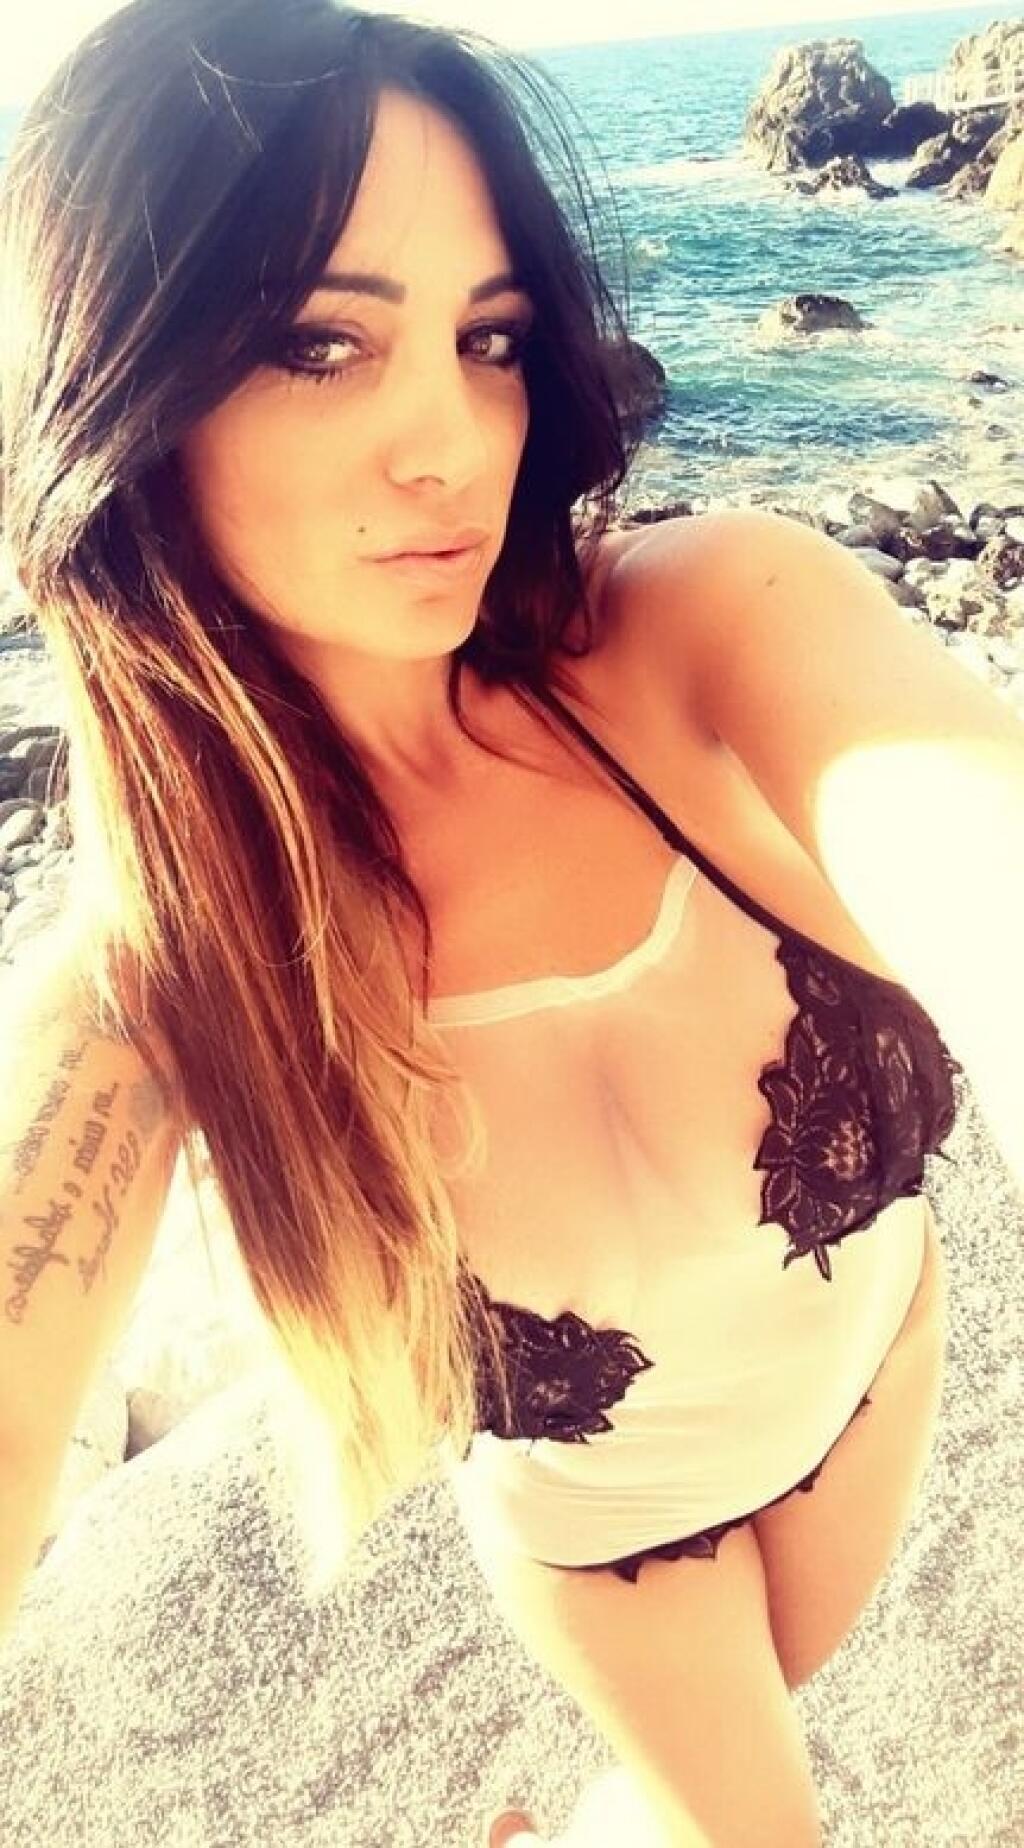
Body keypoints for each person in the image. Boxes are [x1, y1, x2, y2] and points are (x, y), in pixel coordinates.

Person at [0, 3, 967, 1844]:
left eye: (492, 337)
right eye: (318, 343)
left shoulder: (711, 631)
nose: (450, 442)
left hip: (880, 1383)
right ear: (123, 388)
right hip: (629, 1547)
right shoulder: (162, 978)